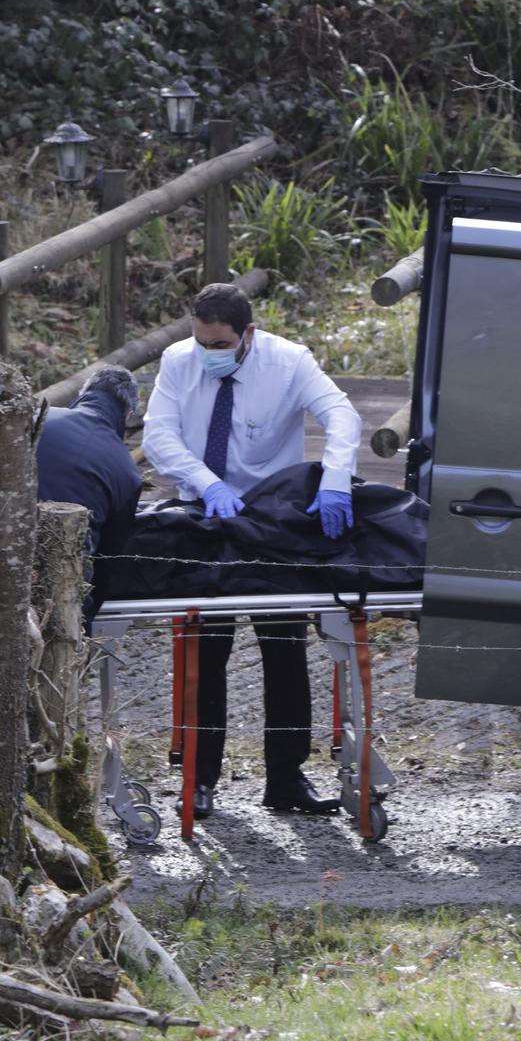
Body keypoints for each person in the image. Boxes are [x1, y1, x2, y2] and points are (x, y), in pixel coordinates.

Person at [141, 282, 361, 820]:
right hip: (203, 511)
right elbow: (158, 436)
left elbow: (342, 416)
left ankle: (286, 777)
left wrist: (335, 479)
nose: (209, 353)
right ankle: (199, 780)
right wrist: (205, 481)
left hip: (268, 515)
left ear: (248, 335)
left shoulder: (288, 362)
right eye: (201, 342)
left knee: (284, 650)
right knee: (203, 653)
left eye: (220, 344)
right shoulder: (178, 362)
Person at [37, 364, 143, 556]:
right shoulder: (127, 470)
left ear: (83, 393)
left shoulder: (38, 417)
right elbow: (111, 552)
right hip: (68, 567)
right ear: (128, 415)